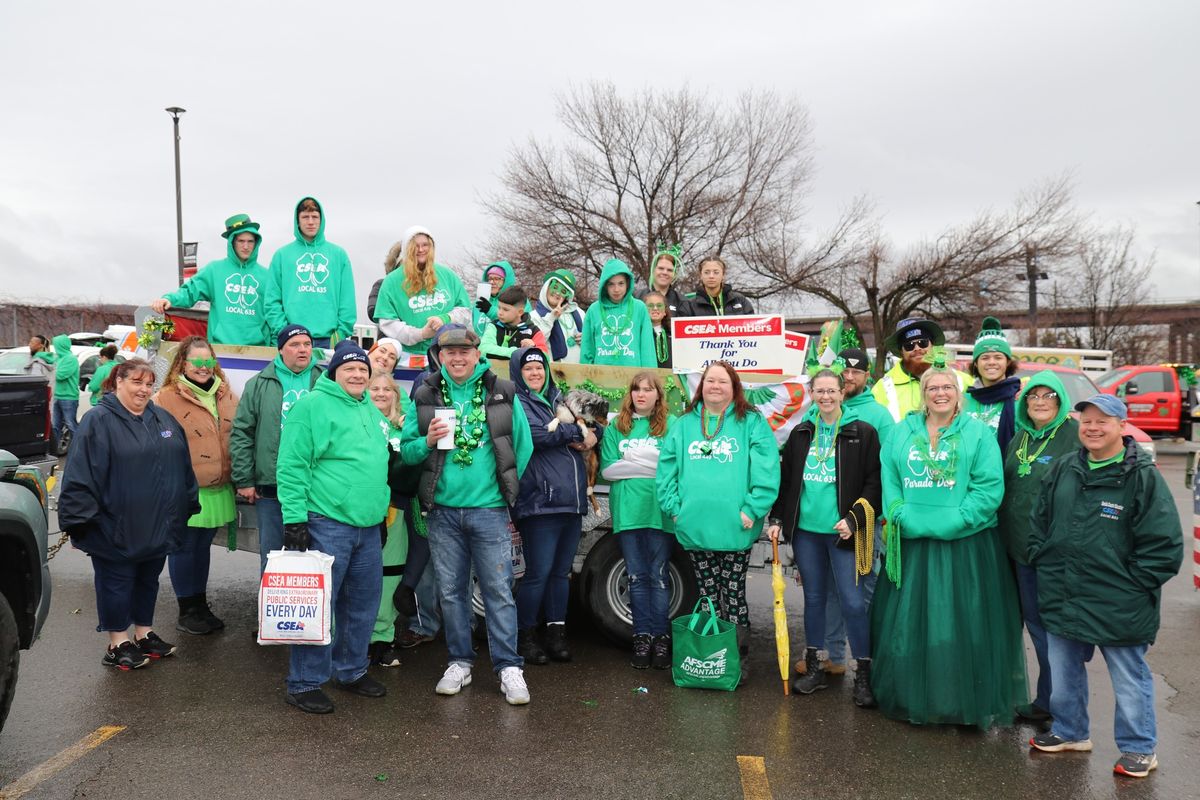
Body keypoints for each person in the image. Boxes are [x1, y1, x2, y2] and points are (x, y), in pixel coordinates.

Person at [1028, 394, 1183, 778]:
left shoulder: (1141, 476)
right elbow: (1039, 519)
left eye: (1103, 421)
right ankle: (1070, 731)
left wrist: (1134, 585)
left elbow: (1165, 545)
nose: (1093, 428)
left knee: (1129, 678)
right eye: (1086, 421)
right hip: (1065, 592)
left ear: (1121, 426)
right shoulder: (1065, 468)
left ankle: (1139, 748)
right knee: (1063, 674)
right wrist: (1042, 557)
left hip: (1120, 601)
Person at [870, 355, 1027, 727]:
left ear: (959, 395)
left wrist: (955, 521)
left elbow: (989, 488)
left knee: (962, 625)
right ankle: (914, 696)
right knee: (912, 627)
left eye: (947, 388)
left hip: (966, 546)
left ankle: (960, 701)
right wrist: (900, 514)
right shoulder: (901, 432)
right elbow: (889, 479)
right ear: (923, 396)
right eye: (932, 388)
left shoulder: (978, 434)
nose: (940, 393)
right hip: (912, 545)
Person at [400, 325, 535, 705]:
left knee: (498, 590)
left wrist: (499, 491)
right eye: (450, 352)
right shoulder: (425, 393)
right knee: (451, 592)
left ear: (478, 355)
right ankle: (460, 661)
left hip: (489, 512)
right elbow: (407, 451)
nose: (457, 358)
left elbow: (522, 448)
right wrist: (425, 442)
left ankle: (509, 667)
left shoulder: (503, 392)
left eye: (465, 352)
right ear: (440, 357)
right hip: (442, 512)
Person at [58, 358, 199, 670]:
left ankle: (143, 633)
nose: (144, 390)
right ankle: (117, 641)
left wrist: (188, 502)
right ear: (118, 382)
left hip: (159, 522)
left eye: (149, 384)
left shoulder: (162, 419)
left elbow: (182, 466)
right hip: (115, 525)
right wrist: (77, 522)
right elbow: (79, 476)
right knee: (116, 582)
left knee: (148, 580)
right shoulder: (97, 421)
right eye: (137, 382)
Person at [277, 340, 391, 714]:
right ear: (334, 372)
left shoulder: (369, 409)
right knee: (318, 607)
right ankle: (305, 681)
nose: (358, 374)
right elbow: (293, 465)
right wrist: (294, 519)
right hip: (327, 523)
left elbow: (379, 461)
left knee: (362, 605)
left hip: (368, 527)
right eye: (350, 369)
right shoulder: (312, 406)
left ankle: (351, 671)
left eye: (363, 369)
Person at [657, 361, 780, 682]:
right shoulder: (684, 424)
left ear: (734, 386)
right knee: (707, 594)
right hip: (694, 527)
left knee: (734, 593)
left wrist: (752, 509)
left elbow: (767, 470)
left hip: (736, 527)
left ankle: (736, 662)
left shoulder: (751, 422)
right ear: (701, 386)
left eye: (722, 382)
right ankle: (708, 661)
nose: (715, 386)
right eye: (710, 381)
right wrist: (674, 509)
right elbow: (666, 470)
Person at [768, 367, 881, 707]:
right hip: (807, 534)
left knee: (851, 601)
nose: (827, 397)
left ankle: (863, 672)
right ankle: (815, 664)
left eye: (832, 391)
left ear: (842, 393)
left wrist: (854, 519)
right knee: (814, 599)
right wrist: (777, 518)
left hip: (845, 532)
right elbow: (786, 482)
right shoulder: (801, 433)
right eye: (820, 391)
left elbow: (874, 483)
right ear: (812, 394)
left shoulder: (862, 433)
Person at [997, 370, 1079, 724]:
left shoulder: (1073, 437)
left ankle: (1063, 714)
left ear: (1060, 401)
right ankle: (1045, 700)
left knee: (1051, 633)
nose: (1040, 402)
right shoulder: (1020, 438)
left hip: (1052, 554)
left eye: (1048, 396)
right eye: (1033, 396)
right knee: (1032, 627)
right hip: (1017, 552)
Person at [510, 347, 594, 666]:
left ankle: (556, 632)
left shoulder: (560, 398)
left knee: (561, 573)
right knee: (538, 574)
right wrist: (575, 432)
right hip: (539, 503)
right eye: (529, 368)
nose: (535, 373)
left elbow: (593, 428)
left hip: (570, 504)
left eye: (540, 368)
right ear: (519, 372)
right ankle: (525, 634)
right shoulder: (518, 402)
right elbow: (533, 437)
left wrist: (586, 433)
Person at [152, 336, 239, 635]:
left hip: (217, 488)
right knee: (184, 548)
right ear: (183, 364)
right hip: (185, 488)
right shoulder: (165, 397)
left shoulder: (226, 394)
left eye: (208, 361)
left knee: (202, 548)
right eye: (197, 362)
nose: (203, 368)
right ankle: (186, 609)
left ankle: (200, 606)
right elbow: (156, 441)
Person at [230, 324, 322, 574]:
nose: (302, 350)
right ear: (280, 349)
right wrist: (244, 479)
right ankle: (272, 613)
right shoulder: (258, 384)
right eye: (295, 344)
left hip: (316, 486)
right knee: (274, 558)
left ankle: (310, 612)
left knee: (315, 558)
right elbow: (242, 432)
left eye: (307, 344)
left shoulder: (324, 380)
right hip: (271, 487)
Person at [600, 371, 675, 669]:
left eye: (648, 389)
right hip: (628, 512)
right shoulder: (617, 426)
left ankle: (661, 639)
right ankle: (642, 637)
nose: (641, 394)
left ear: (658, 394)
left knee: (658, 576)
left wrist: (630, 461)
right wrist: (649, 463)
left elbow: (669, 468)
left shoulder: (671, 426)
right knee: (637, 577)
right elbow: (608, 471)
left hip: (659, 512)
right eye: (636, 389)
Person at [149, 214, 271, 346]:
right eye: (241, 241)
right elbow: (189, 292)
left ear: (256, 243)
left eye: (250, 241)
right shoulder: (214, 270)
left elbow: (275, 312)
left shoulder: (267, 276)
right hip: (220, 349)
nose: (246, 246)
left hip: (260, 352)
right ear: (232, 242)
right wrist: (169, 299)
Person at [367, 372, 418, 669]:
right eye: (375, 388)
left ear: (398, 397)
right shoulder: (357, 424)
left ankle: (383, 639)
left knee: (390, 576)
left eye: (388, 389)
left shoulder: (405, 430)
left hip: (396, 512)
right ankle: (355, 639)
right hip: (360, 512)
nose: (382, 393)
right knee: (358, 577)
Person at [263, 197, 356, 347]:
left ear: (322, 219)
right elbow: (271, 300)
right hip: (292, 338)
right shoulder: (282, 255)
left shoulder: (339, 255)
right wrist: (284, 331)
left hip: (329, 340)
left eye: (315, 217)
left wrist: (340, 334)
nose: (311, 222)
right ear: (297, 221)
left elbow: (347, 299)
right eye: (305, 217)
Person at [375, 226, 472, 367]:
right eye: (415, 246)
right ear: (406, 249)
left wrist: (445, 318)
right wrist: (421, 334)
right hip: (407, 358)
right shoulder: (391, 281)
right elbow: (387, 323)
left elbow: (466, 311)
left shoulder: (448, 276)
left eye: (425, 245)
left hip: (445, 355)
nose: (420, 250)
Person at [871, 318, 970, 423]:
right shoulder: (882, 388)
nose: (917, 348)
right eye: (909, 345)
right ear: (901, 351)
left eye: (923, 343)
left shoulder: (962, 380)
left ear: (932, 345)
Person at [580, 258, 656, 367]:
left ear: (627, 283)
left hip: (634, 378)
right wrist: (586, 379)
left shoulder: (639, 308)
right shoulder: (594, 310)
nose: (616, 289)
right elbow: (587, 349)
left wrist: (649, 378)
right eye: (611, 284)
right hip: (601, 377)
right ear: (605, 286)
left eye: (621, 283)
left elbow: (647, 349)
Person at [963, 316, 1023, 450]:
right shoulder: (963, 400)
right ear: (976, 364)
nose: (991, 362)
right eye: (985, 357)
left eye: (998, 357)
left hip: (1006, 469)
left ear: (1007, 363)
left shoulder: (1020, 398)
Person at [530, 269, 584, 363]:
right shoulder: (534, 316)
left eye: (563, 290)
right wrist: (551, 319)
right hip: (554, 373)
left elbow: (594, 339)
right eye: (555, 287)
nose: (557, 293)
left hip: (581, 372)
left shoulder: (579, 312)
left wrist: (586, 339)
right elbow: (535, 343)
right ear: (547, 287)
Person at [480, 286, 549, 360]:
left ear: (520, 312)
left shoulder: (534, 331)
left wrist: (533, 348)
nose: (500, 313)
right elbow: (483, 349)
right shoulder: (493, 326)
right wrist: (517, 352)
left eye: (505, 310)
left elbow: (545, 357)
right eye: (499, 308)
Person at [683, 256, 754, 317]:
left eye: (716, 272)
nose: (711, 276)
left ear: (723, 275)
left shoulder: (739, 300)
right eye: (706, 272)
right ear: (700, 275)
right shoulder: (690, 305)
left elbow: (753, 327)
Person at [635, 242, 690, 316]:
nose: (665, 272)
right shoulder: (637, 297)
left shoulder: (682, 301)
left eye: (669, 270)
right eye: (661, 268)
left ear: (674, 274)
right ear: (654, 270)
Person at [471, 260, 520, 338]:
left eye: (497, 279)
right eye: (490, 278)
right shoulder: (479, 302)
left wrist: (490, 310)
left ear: (506, 281)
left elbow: (520, 324)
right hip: (480, 348)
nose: (492, 282)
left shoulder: (517, 299)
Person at [50, 334, 80, 453]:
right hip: (57, 396)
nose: (55, 347)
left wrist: (51, 370)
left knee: (70, 424)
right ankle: (53, 450)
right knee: (55, 426)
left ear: (61, 345)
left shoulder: (70, 359)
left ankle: (78, 450)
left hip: (69, 397)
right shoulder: (58, 358)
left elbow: (60, 375)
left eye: (56, 344)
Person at [644, 291, 673, 369]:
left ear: (665, 312)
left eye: (659, 305)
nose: (655, 308)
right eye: (650, 305)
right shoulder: (638, 335)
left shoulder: (673, 336)